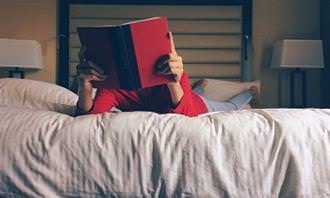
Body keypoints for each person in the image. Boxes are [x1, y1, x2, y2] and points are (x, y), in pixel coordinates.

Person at [75, 32, 258, 117]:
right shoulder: (112, 86)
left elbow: (185, 114)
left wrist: (172, 81)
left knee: (231, 107)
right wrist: (84, 87)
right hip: (187, 97)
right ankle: (198, 88)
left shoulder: (169, 70)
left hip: (199, 107)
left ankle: (251, 91)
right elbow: (87, 117)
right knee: (191, 94)